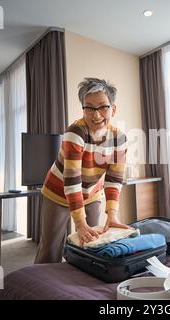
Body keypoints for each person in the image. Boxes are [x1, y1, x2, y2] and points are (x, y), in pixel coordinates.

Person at [34, 77, 131, 264]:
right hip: (58, 191)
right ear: (83, 109)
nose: (96, 115)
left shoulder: (120, 138)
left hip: (92, 194)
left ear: (113, 109)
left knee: (92, 243)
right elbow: (72, 181)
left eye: (103, 107)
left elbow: (114, 179)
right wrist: (79, 223)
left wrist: (112, 214)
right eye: (89, 107)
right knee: (51, 248)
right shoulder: (75, 132)